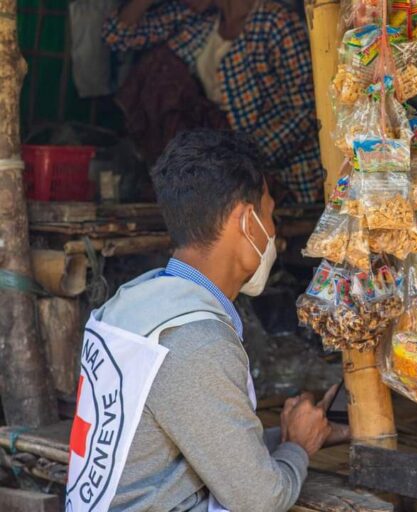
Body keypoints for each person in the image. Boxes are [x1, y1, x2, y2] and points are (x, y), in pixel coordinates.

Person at [65, 130, 343, 512]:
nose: (274, 231)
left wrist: (293, 434)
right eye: (269, 213)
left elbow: (195, 440)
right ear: (247, 220)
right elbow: (261, 499)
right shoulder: (196, 338)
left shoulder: (130, 305)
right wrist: (297, 448)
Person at [103, 0, 323, 204]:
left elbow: (307, 109)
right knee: (159, 67)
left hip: (284, 175)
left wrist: (242, 157)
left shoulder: (275, 23)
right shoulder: (200, 22)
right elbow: (117, 36)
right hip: (224, 169)